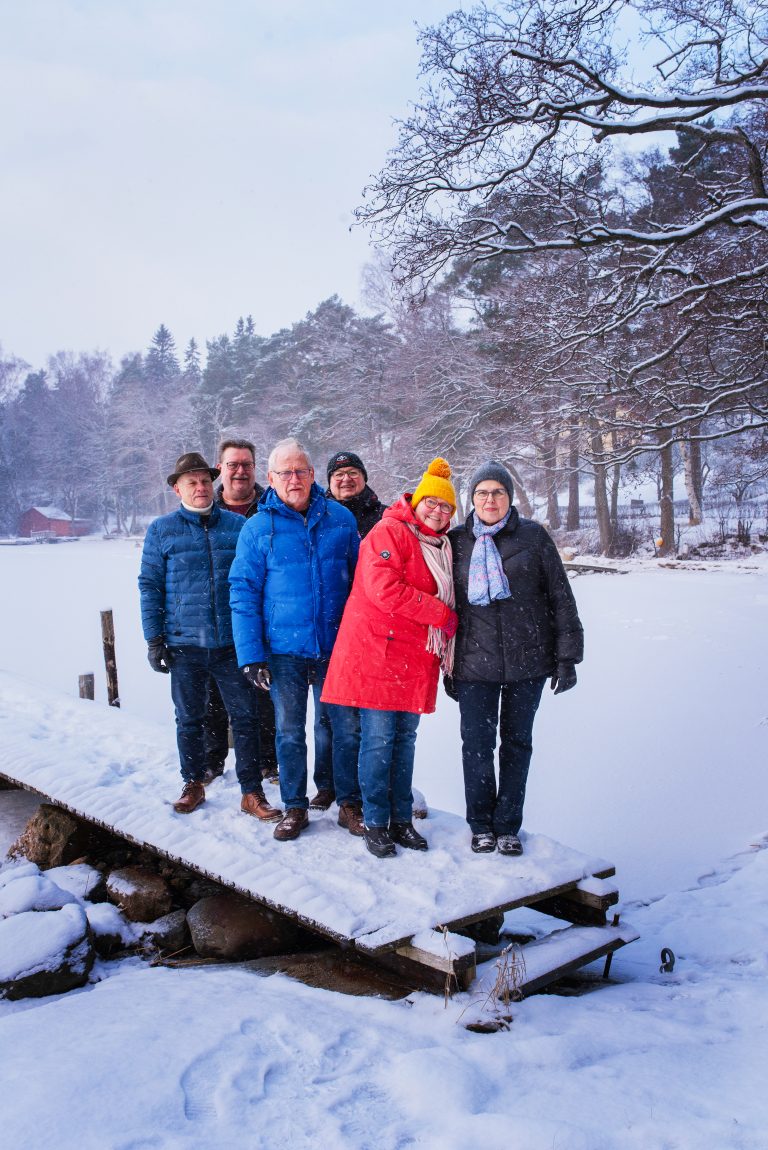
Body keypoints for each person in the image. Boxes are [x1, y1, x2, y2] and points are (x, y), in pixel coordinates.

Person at [321, 458, 459, 858]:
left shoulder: (442, 546)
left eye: (445, 506)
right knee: (378, 741)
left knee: (404, 741)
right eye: (431, 502)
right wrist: (441, 614)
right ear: (416, 501)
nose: (437, 510)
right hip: (378, 654)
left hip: (414, 657)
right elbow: (384, 589)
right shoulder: (390, 530)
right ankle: (376, 822)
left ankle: (401, 819)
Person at [229, 437, 362, 842]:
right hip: (282, 652)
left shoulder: (340, 520)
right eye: (285, 472)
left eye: (300, 471)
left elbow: (362, 587)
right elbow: (243, 591)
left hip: (334, 646)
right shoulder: (257, 527)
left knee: (345, 727)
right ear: (270, 479)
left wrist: (360, 643)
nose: (294, 479)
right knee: (288, 731)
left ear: (312, 475)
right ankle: (295, 806)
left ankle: (349, 803)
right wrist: (251, 655)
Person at [447, 461, 584, 855]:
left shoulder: (533, 537)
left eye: (498, 492)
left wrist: (567, 656)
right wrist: (447, 663)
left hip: (529, 662)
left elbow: (560, 597)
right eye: (482, 493)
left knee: (517, 743)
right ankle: (480, 824)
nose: (490, 500)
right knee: (475, 745)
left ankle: (507, 825)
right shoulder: (456, 541)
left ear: (510, 497)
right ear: (471, 499)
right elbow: (446, 603)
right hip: (474, 663)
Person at [138, 451, 282, 822]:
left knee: (246, 719)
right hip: (184, 644)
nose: (201, 488)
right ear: (177, 489)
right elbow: (150, 585)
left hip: (232, 644)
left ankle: (251, 791)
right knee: (189, 718)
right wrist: (154, 639)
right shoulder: (162, 530)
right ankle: (193, 783)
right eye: (192, 483)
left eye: (205, 481)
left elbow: (257, 582)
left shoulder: (236, 527)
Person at [309, 450, 388, 811]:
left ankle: (360, 787)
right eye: (338, 475)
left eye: (353, 473)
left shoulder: (383, 517)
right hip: (328, 628)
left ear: (365, 477)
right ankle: (326, 785)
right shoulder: (317, 515)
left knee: (366, 719)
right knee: (326, 716)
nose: (345, 479)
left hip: (372, 629)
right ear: (327, 481)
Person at [202, 439, 278, 787]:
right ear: (221, 468)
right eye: (233, 464)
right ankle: (212, 760)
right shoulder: (206, 508)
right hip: (216, 616)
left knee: (263, 692)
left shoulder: (271, 506)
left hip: (263, 614)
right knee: (213, 695)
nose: (240, 471)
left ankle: (268, 763)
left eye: (246, 464)